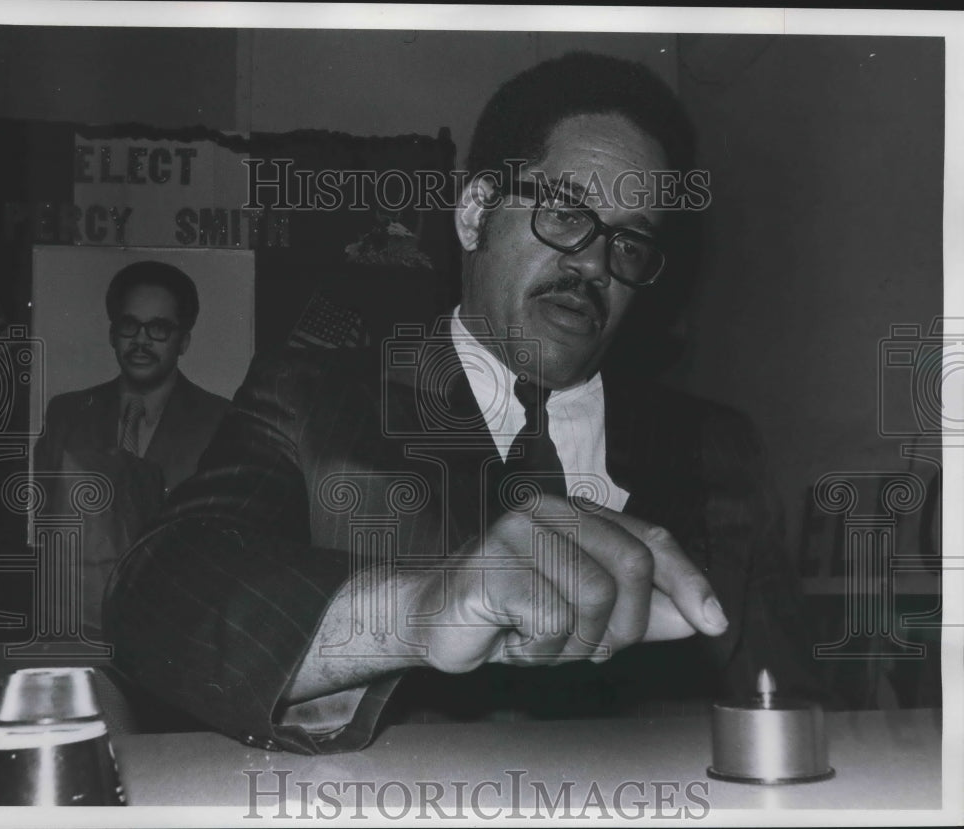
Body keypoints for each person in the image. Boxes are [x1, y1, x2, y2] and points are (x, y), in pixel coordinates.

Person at [105, 53, 822, 753]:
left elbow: (799, 719)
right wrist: (416, 609)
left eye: (629, 243)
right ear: (476, 213)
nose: (596, 265)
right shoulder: (313, 397)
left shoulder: (717, 448)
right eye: (566, 213)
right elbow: (156, 594)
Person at [35, 260, 230, 634]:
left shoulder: (221, 420)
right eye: (129, 325)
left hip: (179, 631)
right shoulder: (67, 413)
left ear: (183, 341)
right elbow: (44, 527)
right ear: (113, 334)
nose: (141, 340)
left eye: (159, 328)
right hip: (79, 627)